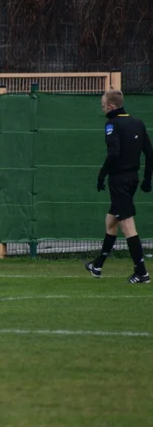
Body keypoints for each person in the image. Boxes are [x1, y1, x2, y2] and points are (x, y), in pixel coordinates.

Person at [86, 89, 153, 283]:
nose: (102, 107)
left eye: (103, 104)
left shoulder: (112, 124)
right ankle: (97, 265)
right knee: (111, 221)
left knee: (127, 226)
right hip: (132, 180)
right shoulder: (137, 123)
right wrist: (147, 179)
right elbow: (150, 154)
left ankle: (141, 273)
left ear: (112, 106)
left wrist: (101, 174)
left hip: (119, 181)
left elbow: (113, 154)